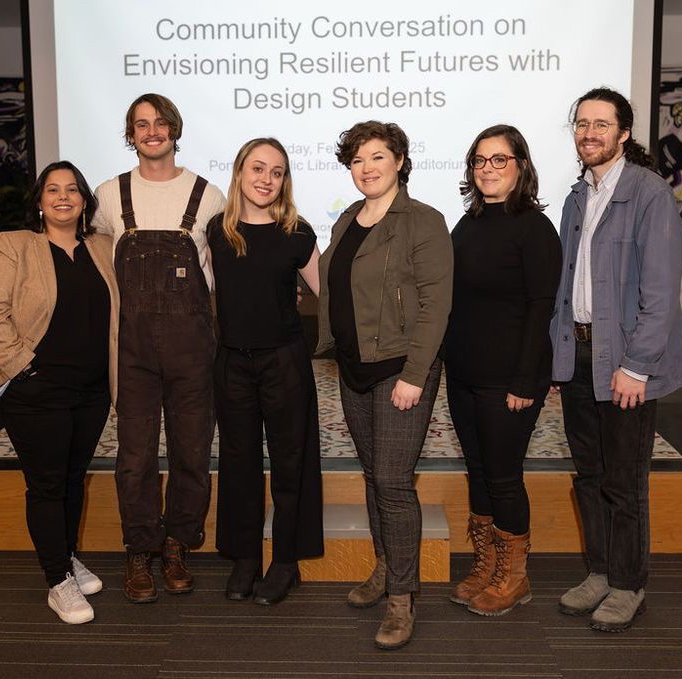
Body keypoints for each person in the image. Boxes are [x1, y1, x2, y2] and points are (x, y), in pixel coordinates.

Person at [550, 87, 682, 633]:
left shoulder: (649, 193)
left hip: (625, 359)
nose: (589, 133)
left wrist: (636, 366)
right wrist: (562, 354)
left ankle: (628, 584)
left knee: (624, 480)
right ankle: (601, 571)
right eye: (582, 124)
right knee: (589, 473)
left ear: (624, 133)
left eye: (601, 124)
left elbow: (661, 292)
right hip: (581, 353)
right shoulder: (575, 198)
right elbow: (567, 284)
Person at [0, 160, 119, 624]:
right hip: (37, 388)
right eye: (53, 190)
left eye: (73, 189)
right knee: (48, 484)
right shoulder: (14, 245)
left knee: (73, 478)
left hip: (92, 389)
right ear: (39, 201)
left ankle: (66, 556)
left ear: (85, 200)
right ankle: (57, 581)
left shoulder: (103, 246)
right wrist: (23, 369)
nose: (64, 197)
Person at [317, 121, 452, 649]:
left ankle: (403, 597)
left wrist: (416, 376)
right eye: (356, 160)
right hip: (355, 368)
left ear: (399, 160)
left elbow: (436, 305)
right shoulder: (349, 219)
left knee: (394, 483)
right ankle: (385, 567)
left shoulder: (423, 220)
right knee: (374, 476)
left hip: (401, 370)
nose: (366, 167)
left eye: (377, 157)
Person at [91, 93, 225, 603]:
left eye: (160, 122)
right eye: (141, 124)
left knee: (192, 453)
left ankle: (176, 545)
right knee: (135, 458)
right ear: (131, 135)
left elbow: (224, 266)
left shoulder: (208, 195)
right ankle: (139, 552)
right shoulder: (109, 195)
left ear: (175, 129)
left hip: (193, 349)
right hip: (134, 351)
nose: (152, 131)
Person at [444, 125, 561, 616]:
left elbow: (541, 308)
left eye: (499, 160)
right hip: (465, 373)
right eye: (480, 161)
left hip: (507, 380)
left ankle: (514, 578)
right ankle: (488, 565)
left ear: (520, 166)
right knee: (477, 471)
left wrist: (525, 380)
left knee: (504, 476)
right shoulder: (466, 223)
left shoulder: (534, 228)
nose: (488, 169)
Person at [207, 138, 324, 606]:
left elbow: (330, 297)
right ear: (238, 173)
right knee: (239, 462)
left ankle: (286, 562)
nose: (266, 179)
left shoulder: (299, 233)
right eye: (257, 168)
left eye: (276, 172)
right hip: (232, 361)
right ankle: (245, 559)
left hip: (284, 361)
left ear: (284, 180)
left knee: (291, 463)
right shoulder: (218, 230)